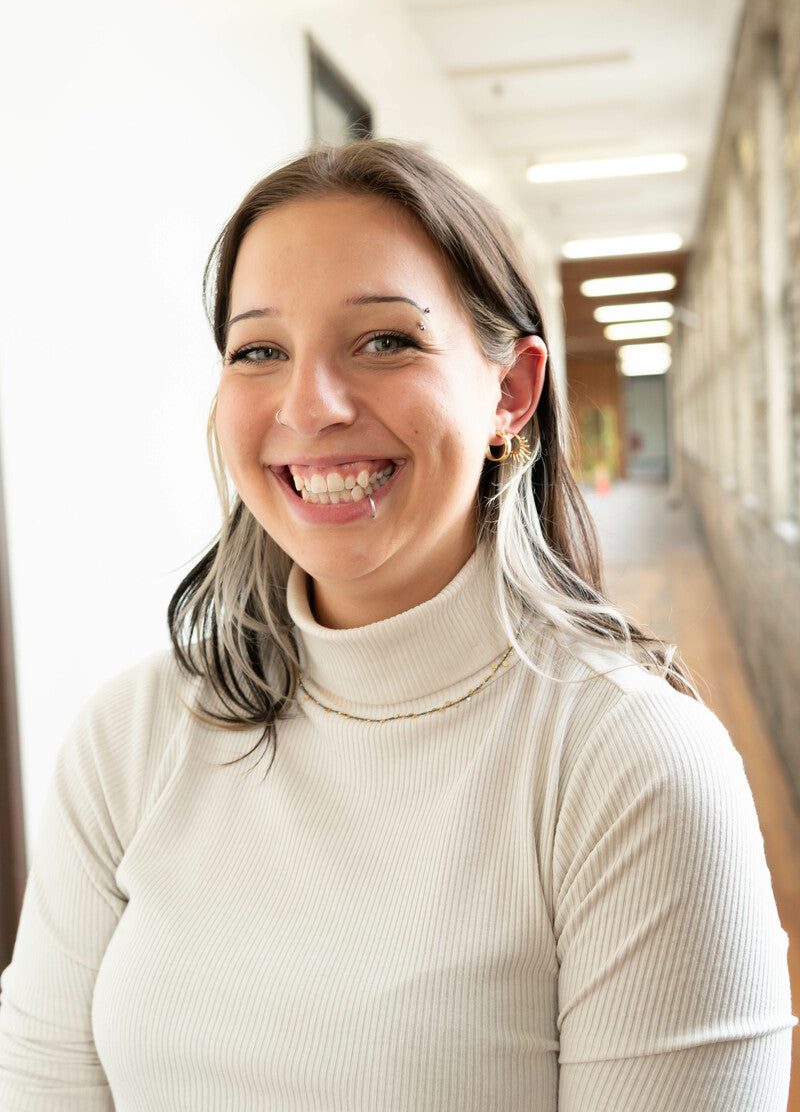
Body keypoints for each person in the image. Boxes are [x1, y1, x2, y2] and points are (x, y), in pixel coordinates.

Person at [0, 138, 794, 1111]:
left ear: (509, 391)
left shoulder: (636, 766)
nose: (310, 405)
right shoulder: (127, 741)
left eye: (384, 341)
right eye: (259, 351)